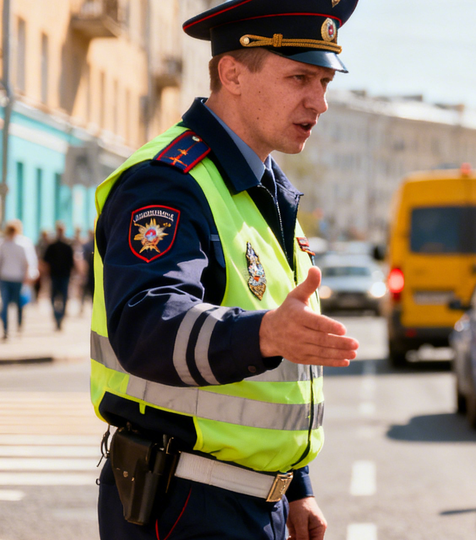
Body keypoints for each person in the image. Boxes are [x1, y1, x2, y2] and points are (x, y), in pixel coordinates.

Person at [91, 2, 360, 539]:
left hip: (254, 501)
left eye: (325, 81)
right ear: (231, 73)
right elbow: (145, 325)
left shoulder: (265, 188)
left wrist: (296, 486)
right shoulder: (167, 182)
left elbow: (274, 387)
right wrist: (262, 333)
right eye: (300, 78)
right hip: (185, 505)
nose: (320, 102)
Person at [0, 220, 38, 339]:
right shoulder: (23, 243)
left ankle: (7, 329)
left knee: (6, 304)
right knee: (18, 303)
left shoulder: (5, 243)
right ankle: (18, 325)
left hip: (6, 277)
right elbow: (28, 263)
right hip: (16, 278)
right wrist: (28, 277)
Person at [41, 223, 75, 330]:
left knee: (62, 297)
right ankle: (58, 317)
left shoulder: (67, 246)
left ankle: (60, 317)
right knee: (55, 297)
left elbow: (72, 262)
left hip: (63, 275)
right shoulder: (53, 246)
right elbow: (45, 262)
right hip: (56, 275)